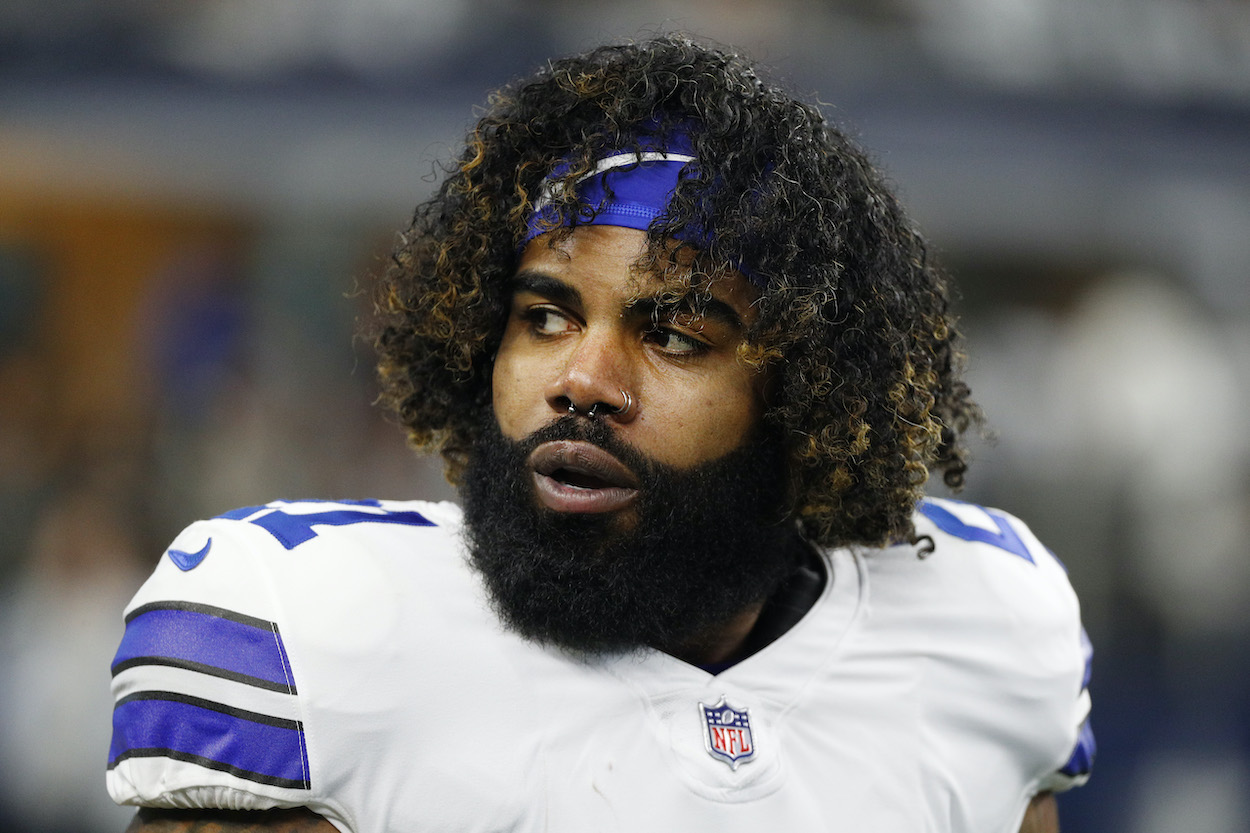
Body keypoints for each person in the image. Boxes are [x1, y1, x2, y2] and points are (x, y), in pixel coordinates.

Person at [106, 35, 1094, 833]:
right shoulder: (296, 625)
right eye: (544, 316)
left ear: (807, 394)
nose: (583, 378)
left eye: (671, 333)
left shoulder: (988, 626)